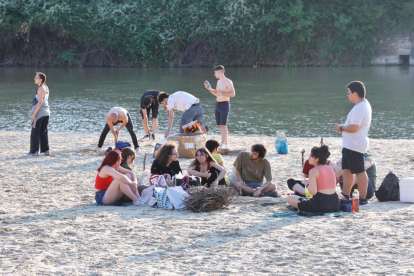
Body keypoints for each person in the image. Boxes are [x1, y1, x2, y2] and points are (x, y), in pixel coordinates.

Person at [334, 81, 372, 205]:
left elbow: (354, 127)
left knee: (360, 171)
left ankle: (362, 198)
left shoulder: (360, 108)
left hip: (355, 145)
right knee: (347, 170)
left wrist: (341, 128)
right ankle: (345, 194)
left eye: (349, 92)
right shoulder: (362, 105)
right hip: (350, 144)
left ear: (355, 93)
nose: (348, 95)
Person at [287, 145, 340, 213]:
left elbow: (313, 192)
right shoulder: (330, 169)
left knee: (289, 198)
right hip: (335, 204)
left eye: (311, 156)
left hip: (320, 205)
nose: (309, 157)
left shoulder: (313, 171)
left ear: (317, 159)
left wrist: (307, 183)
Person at [204, 65, 235, 149]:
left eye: (215, 73)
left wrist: (222, 93)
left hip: (225, 104)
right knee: (221, 125)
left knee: (223, 125)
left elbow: (232, 94)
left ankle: (223, 143)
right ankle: (225, 142)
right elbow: (216, 93)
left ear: (219, 72)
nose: (214, 75)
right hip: (217, 104)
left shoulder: (228, 81)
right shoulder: (218, 82)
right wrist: (209, 88)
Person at [28, 72, 51, 156]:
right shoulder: (46, 87)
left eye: (36, 77)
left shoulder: (41, 88)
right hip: (46, 112)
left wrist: (34, 113)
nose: (34, 78)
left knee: (35, 132)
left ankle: (34, 151)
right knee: (43, 132)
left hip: (41, 112)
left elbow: (40, 102)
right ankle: (46, 150)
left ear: (40, 79)